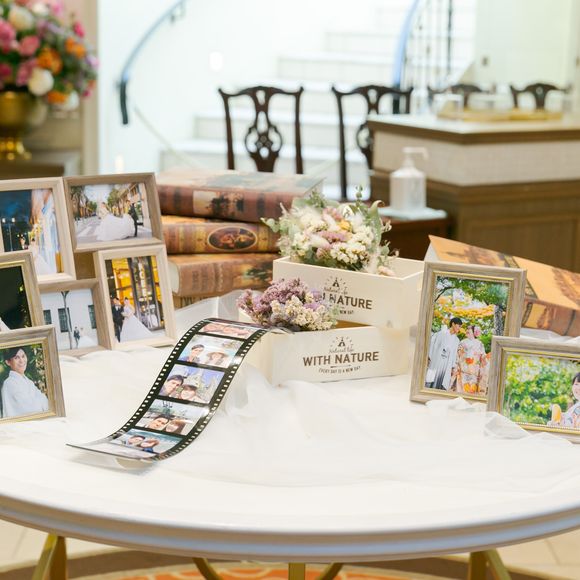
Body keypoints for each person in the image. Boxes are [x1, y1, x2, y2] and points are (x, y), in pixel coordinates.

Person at [0, 347, 49, 418]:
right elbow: (30, 409)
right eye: (16, 358)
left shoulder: (29, 382)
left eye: (23, 356)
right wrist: (39, 401)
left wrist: (37, 401)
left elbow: (46, 402)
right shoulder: (9, 383)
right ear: (8, 362)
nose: (21, 361)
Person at [426, 317, 463, 390]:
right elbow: (433, 344)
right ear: (453, 324)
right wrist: (430, 357)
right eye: (459, 326)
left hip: (446, 363)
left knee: (442, 382)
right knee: (430, 380)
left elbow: (454, 354)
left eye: (460, 327)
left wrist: (452, 366)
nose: (459, 328)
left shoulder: (456, 340)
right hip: (437, 360)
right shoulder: (441, 333)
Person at [455, 325, 486, 395]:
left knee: (472, 388)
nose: (467, 330)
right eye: (467, 329)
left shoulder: (480, 343)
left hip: (474, 371)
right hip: (463, 369)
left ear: (474, 332)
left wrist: (482, 357)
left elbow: (483, 356)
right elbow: (458, 354)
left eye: (469, 330)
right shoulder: (462, 342)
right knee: (462, 388)